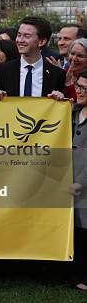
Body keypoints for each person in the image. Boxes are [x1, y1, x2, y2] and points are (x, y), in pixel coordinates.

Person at [0, 16, 66, 100]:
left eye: (26, 36)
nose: (20, 40)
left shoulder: (57, 74)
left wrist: (60, 98)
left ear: (41, 42)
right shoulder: (3, 70)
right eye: (19, 35)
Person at [71, 70, 87, 291]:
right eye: (79, 86)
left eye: (85, 88)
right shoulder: (74, 111)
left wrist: (82, 182)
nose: (80, 91)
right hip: (70, 183)